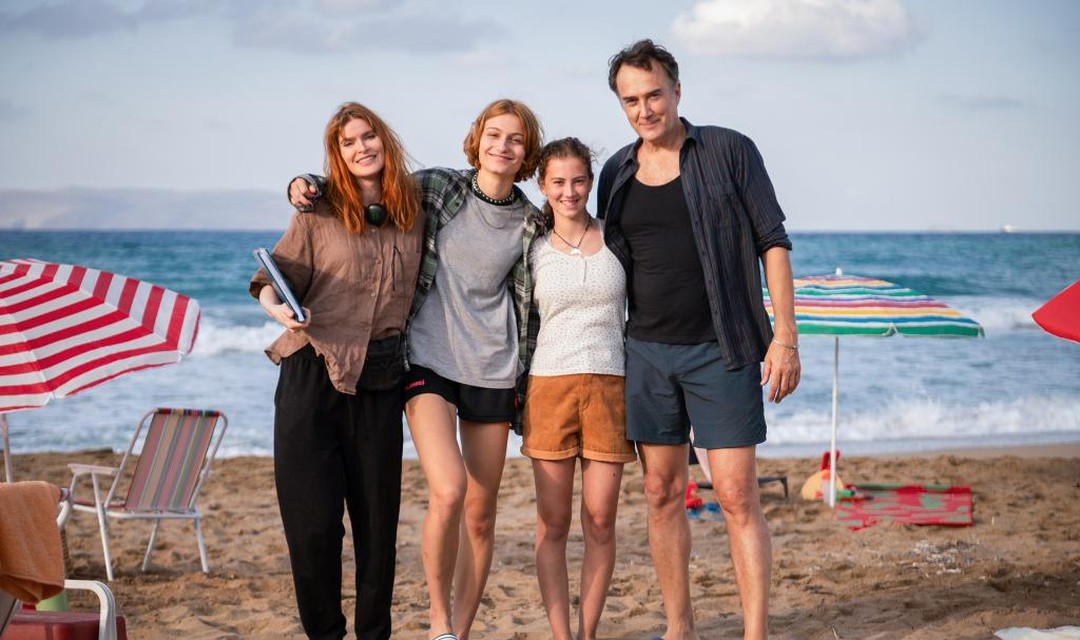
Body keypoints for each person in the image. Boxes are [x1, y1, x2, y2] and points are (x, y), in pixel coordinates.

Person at [288, 99, 545, 640]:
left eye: (515, 139)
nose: (503, 146)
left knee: (477, 513)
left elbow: (545, 289)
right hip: (424, 360)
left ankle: (454, 633)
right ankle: (436, 620)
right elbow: (358, 182)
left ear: (527, 151)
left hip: (491, 368)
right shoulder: (438, 189)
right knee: (448, 490)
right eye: (493, 134)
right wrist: (304, 182)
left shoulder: (531, 221)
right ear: (476, 140)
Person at [597, 40, 801, 640]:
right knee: (661, 492)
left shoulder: (729, 150)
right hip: (647, 355)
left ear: (677, 91)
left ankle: (755, 632)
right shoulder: (615, 172)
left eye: (653, 94)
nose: (644, 109)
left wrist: (784, 335)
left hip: (725, 347)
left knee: (737, 494)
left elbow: (773, 241)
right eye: (630, 100)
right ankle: (678, 628)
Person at [251, 102, 423, 640]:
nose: (361, 148)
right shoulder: (317, 210)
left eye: (368, 136)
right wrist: (273, 305)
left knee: (378, 530)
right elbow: (269, 280)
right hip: (310, 375)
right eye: (348, 143)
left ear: (385, 140)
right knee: (314, 529)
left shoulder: (418, 208)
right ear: (338, 156)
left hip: (380, 381)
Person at [521, 137, 636, 640]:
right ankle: (560, 635)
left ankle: (587, 634)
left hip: (611, 388)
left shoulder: (619, 238)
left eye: (579, 181)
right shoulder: (531, 249)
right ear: (543, 186)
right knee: (552, 524)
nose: (570, 192)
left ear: (591, 182)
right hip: (548, 389)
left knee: (600, 521)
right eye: (559, 182)